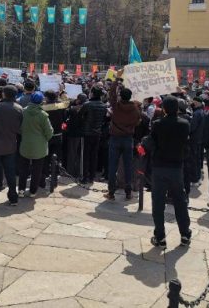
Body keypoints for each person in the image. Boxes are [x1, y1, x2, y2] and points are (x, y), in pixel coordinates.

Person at [149, 96, 192, 248]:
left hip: (160, 166)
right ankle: (185, 234)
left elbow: (152, 142)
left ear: (165, 109)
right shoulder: (185, 124)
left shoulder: (157, 124)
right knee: (180, 202)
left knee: (158, 203)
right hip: (177, 167)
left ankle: (160, 237)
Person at [105, 70, 141, 201]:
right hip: (128, 139)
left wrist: (116, 80)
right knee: (128, 166)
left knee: (113, 166)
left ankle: (111, 192)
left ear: (121, 96)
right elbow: (138, 122)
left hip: (115, 138)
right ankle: (128, 192)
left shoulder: (116, 106)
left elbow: (111, 94)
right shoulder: (136, 109)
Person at [18, 91, 54, 198]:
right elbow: (49, 132)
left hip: (25, 144)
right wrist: (44, 139)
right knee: (36, 170)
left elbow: (19, 128)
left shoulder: (23, 112)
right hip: (40, 146)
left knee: (23, 170)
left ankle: (21, 190)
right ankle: (33, 191)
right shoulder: (43, 115)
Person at [79, 88, 108, 183]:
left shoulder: (87, 104)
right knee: (94, 155)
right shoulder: (104, 106)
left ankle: (85, 177)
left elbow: (80, 115)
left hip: (87, 133)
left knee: (85, 155)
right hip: (97, 133)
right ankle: (92, 176)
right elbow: (104, 119)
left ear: (92, 93)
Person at [64, 93, 87, 177]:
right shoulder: (87, 108)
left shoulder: (73, 109)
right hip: (83, 134)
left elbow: (65, 116)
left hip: (73, 134)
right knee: (80, 154)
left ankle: (70, 171)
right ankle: (78, 172)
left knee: (72, 153)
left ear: (79, 100)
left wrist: (70, 104)